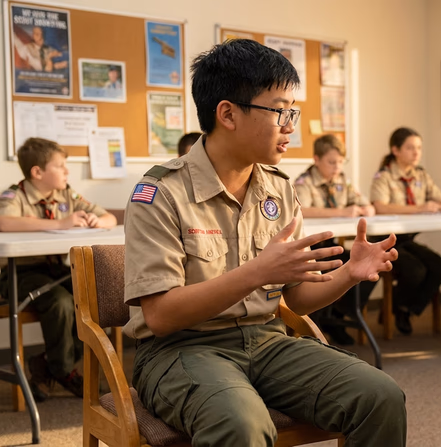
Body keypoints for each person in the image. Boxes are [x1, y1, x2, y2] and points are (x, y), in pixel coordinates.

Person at [123, 39, 405, 447]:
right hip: (180, 350)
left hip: (267, 340)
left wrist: (347, 274)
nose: (291, 124)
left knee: (380, 397)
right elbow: (163, 316)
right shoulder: (160, 193)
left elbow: (298, 299)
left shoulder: (278, 189)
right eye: (280, 110)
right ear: (228, 114)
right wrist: (258, 271)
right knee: (242, 424)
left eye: (294, 110)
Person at [0, 137, 117, 402]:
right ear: (37, 172)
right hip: (20, 274)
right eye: (61, 166)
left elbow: (109, 217)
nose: (67, 171)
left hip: (56, 271)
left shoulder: (67, 194)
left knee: (94, 302)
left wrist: (97, 220)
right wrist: (60, 224)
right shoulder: (15, 194)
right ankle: (64, 370)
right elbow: (4, 222)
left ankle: (47, 363)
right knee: (62, 304)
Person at [294, 134, 376, 344]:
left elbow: (364, 203)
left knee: (368, 268)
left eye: (340, 162)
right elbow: (301, 209)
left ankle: (338, 317)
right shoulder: (305, 182)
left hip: (333, 244)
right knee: (325, 274)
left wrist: (366, 208)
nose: (337, 167)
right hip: (312, 248)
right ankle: (318, 325)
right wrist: (341, 211)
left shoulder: (342, 181)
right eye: (331, 162)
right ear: (316, 159)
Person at [370, 127, 441, 335]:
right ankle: (398, 306)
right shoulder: (385, 176)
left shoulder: (421, 175)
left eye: (418, 148)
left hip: (407, 239)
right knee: (415, 270)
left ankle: (404, 307)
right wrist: (419, 208)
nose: (416, 153)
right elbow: (380, 206)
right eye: (410, 148)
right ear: (395, 150)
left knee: (440, 268)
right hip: (385, 240)